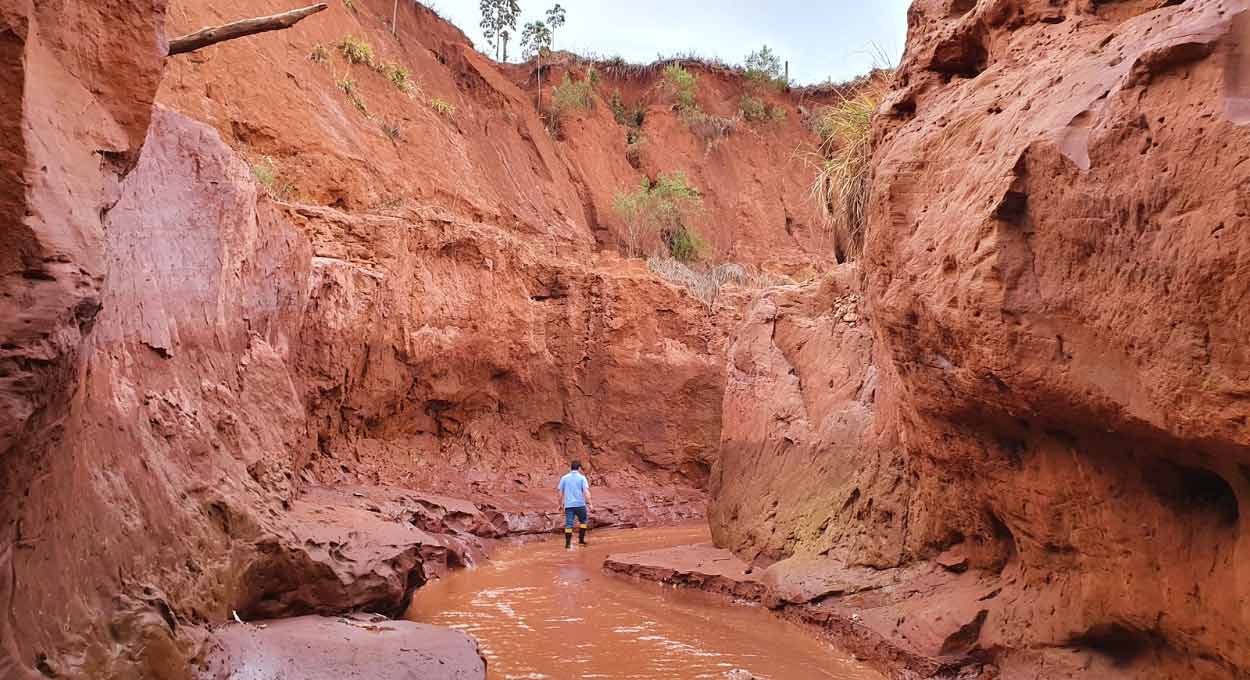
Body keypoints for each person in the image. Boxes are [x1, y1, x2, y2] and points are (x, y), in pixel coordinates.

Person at [556, 460, 591, 548]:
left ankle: (567, 544)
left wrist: (560, 504)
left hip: (569, 505)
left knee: (568, 524)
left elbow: (560, 492)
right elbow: (586, 491)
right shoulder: (582, 478)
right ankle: (581, 541)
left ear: (571, 468)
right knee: (583, 522)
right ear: (579, 468)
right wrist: (590, 503)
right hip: (580, 504)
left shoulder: (564, 478)